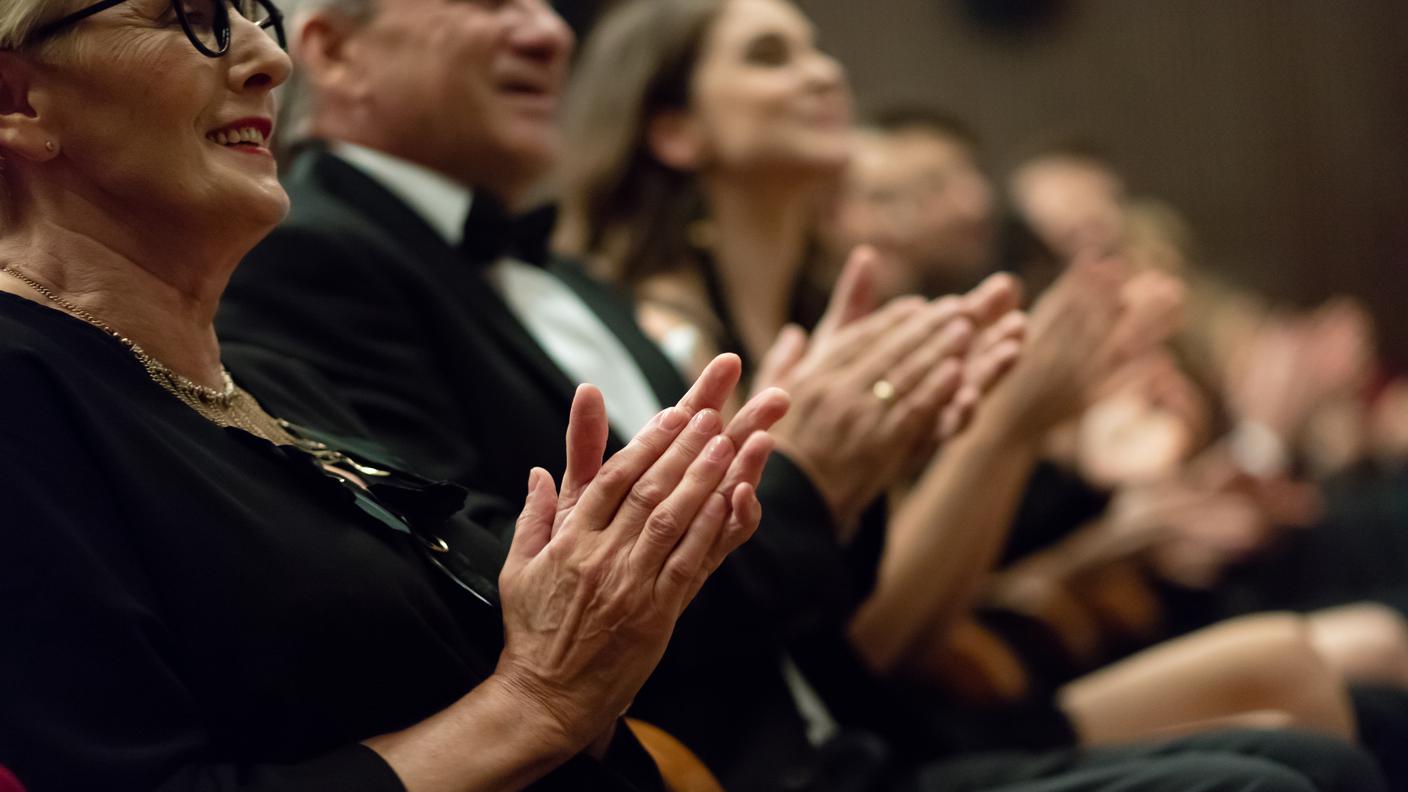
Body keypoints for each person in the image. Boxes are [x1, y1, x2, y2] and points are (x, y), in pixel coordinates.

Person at [0, 1, 793, 789]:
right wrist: (535, 705)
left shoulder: (273, 381)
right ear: (17, 101)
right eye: (190, 16)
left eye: (251, 13)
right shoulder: (21, 386)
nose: (271, 60)